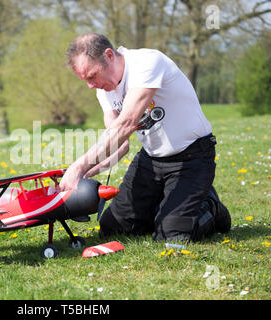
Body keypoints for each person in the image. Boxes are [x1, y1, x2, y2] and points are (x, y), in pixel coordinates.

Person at [59, 33, 230, 242]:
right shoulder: (104, 90)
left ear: (109, 55)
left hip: (192, 157)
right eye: (85, 80)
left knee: (172, 236)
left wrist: (79, 166)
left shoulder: (146, 63)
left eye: (92, 76)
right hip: (151, 160)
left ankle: (211, 207)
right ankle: (167, 208)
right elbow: (119, 145)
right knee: (113, 229)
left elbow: (125, 125)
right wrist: (84, 175)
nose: (90, 85)